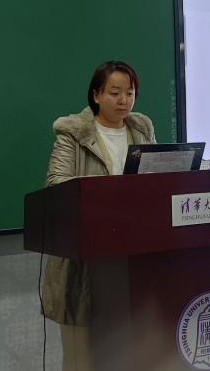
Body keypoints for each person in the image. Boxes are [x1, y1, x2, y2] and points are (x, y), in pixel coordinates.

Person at [42, 60, 156, 371]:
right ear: (96, 95)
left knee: (128, 353)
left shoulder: (142, 130)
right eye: (115, 93)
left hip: (133, 258)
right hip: (83, 263)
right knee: (82, 359)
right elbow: (56, 184)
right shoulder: (72, 133)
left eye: (130, 93)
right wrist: (108, 194)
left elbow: (157, 183)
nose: (124, 101)